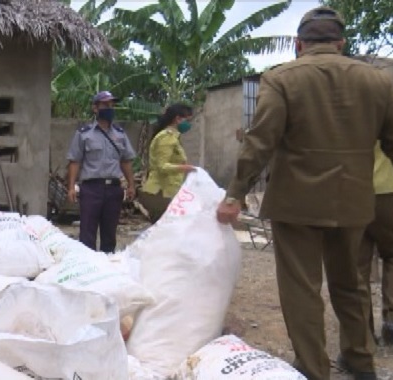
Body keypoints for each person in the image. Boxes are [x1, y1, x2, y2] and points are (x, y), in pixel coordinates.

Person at [215, 6, 393, 380]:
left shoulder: (281, 79)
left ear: (299, 43)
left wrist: (236, 193)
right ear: (341, 42)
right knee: (352, 284)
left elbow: (260, 141)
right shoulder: (379, 82)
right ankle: (361, 362)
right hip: (355, 201)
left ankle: (313, 369)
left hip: (296, 204)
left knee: (302, 289)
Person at [66, 91, 137, 253]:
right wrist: (71, 187)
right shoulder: (84, 134)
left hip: (113, 189)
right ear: (95, 108)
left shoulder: (120, 134)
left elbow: (125, 161)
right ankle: (87, 268)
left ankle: (107, 267)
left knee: (109, 234)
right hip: (91, 189)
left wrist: (131, 185)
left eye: (112, 105)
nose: (109, 108)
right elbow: (74, 161)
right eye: (105, 105)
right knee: (87, 233)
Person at [345, 142, 393, 346]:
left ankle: (362, 331)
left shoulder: (355, 109)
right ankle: (391, 324)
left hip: (356, 189)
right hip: (390, 189)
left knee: (358, 266)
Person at [138, 103, 196, 224]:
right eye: (187, 120)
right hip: (161, 192)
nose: (189, 124)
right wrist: (186, 168)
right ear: (177, 119)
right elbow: (162, 166)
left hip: (168, 191)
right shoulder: (166, 137)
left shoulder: (173, 137)